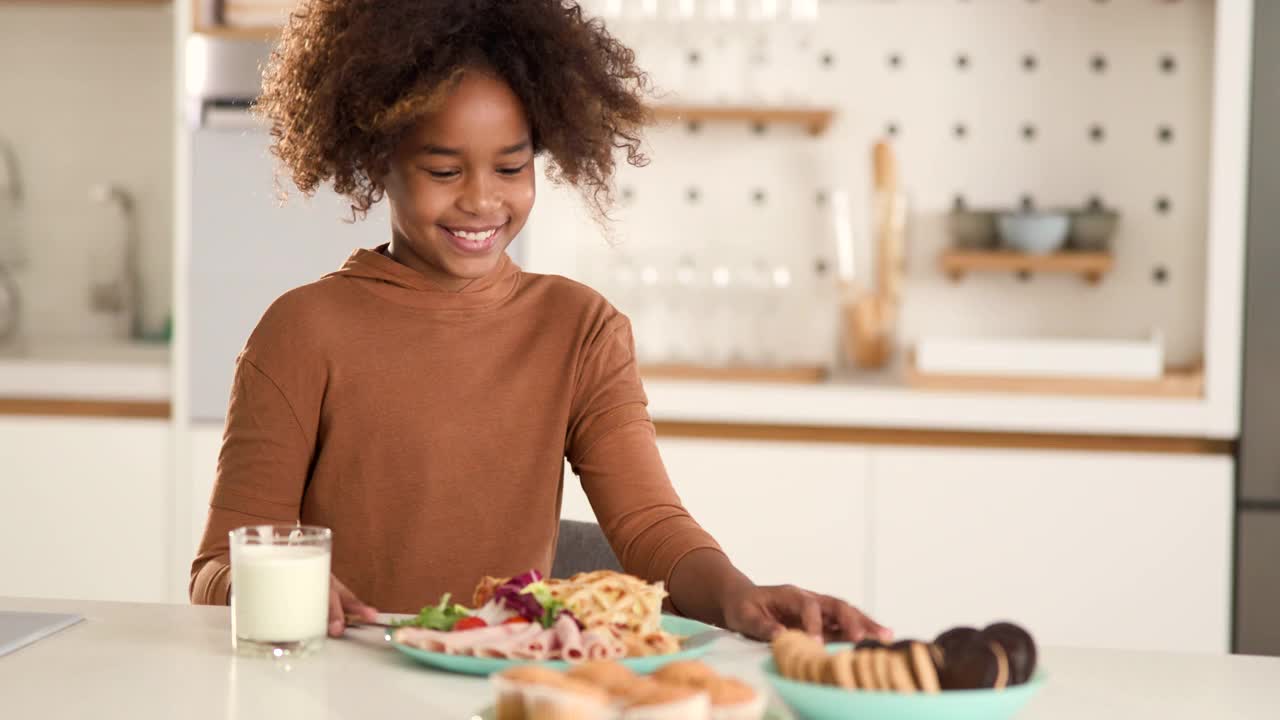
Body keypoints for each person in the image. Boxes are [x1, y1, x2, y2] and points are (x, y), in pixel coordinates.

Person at [190, 0, 891, 646]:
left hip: (508, 686)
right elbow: (217, 569)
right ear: (379, 162)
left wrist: (742, 596)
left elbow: (650, 526)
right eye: (443, 170)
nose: (482, 201)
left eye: (511, 167)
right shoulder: (302, 332)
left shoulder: (580, 329)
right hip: (337, 687)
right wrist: (286, 588)